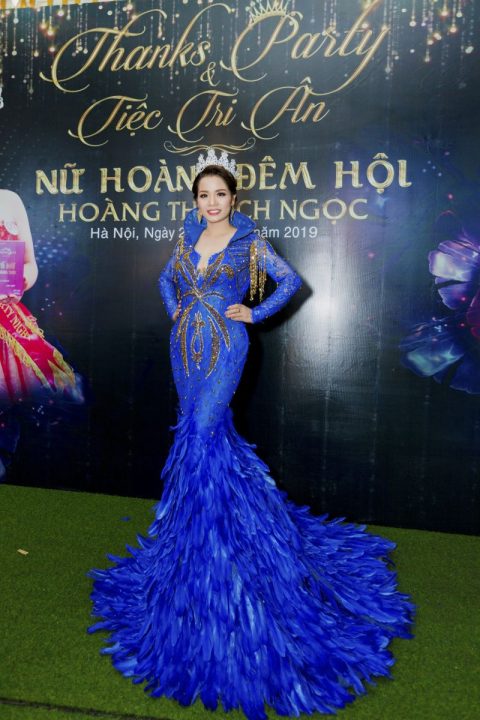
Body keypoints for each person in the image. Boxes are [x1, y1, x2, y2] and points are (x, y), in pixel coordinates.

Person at [88, 150, 414, 720]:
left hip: (225, 347)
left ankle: (220, 555)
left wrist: (252, 313)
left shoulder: (250, 242)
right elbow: (166, 280)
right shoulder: (186, 237)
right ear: (196, 200)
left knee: (202, 435)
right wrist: (176, 308)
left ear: (234, 198)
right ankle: (196, 546)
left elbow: (289, 283)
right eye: (203, 195)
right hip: (183, 348)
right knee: (196, 437)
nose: (211, 202)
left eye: (220, 194)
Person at [0, 189, 82, 476]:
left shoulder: (10, 200)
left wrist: (19, 280)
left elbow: (30, 264)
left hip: (8, 323)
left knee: (13, 409)